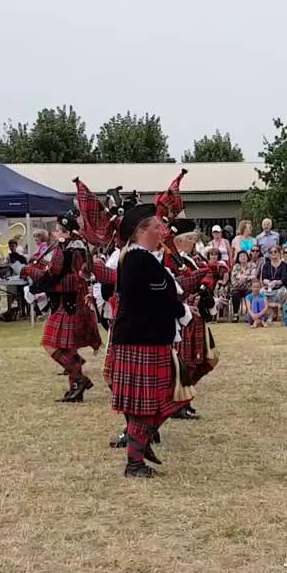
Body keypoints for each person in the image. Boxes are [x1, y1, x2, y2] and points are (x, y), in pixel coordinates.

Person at [105, 202, 189, 478]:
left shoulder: (139, 259)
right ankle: (134, 462)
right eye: (156, 226)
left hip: (145, 338)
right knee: (145, 405)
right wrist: (183, 311)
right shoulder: (139, 260)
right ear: (142, 231)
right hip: (142, 340)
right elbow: (162, 299)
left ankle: (140, 446)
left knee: (167, 397)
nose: (162, 231)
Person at [22, 214, 101, 400]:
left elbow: (53, 276)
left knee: (50, 344)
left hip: (66, 303)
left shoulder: (64, 251)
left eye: (57, 230)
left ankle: (78, 377)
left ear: (65, 232)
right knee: (68, 347)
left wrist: (30, 273)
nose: (55, 233)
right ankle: (76, 384)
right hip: (74, 301)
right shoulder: (78, 249)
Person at [168, 222, 218, 419]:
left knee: (203, 359)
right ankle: (178, 403)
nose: (194, 242)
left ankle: (183, 399)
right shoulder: (172, 261)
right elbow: (175, 288)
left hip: (197, 315)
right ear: (178, 241)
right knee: (186, 361)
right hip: (184, 316)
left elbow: (208, 275)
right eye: (190, 238)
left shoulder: (194, 259)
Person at [259, 244, 287, 322]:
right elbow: (263, 278)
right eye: (271, 252)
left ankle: (278, 313)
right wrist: (269, 283)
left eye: (275, 251)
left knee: (281, 292)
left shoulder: (283, 265)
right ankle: (270, 314)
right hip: (269, 286)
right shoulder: (266, 265)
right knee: (262, 291)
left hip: (280, 285)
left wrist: (275, 282)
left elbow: (285, 279)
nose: (273, 253)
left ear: (279, 253)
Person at [228, 250, 256, 322]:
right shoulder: (236, 267)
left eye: (244, 256)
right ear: (238, 258)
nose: (243, 257)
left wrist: (243, 278)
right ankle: (235, 314)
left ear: (247, 257)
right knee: (235, 294)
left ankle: (249, 314)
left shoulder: (252, 265)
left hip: (248, 287)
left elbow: (254, 276)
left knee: (249, 294)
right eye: (241, 256)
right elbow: (233, 280)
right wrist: (246, 278)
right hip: (237, 287)